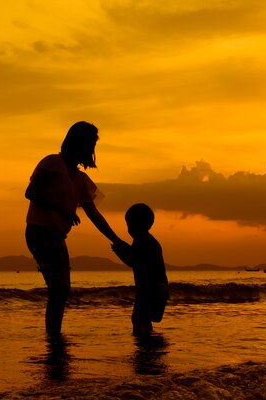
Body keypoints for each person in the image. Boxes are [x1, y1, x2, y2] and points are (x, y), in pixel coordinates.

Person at [25, 121, 126, 337]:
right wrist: (64, 209)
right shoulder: (52, 162)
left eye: (92, 145)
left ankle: (54, 338)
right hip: (39, 232)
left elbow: (94, 215)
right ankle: (53, 338)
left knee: (62, 291)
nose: (90, 149)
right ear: (75, 143)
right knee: (59, 289)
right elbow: (32, 192)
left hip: (57, 236)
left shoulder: (81, 179)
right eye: (87, 144)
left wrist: (116, 239)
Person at [112, 203, 169, 336]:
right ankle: (148, 341)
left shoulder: (141, 240)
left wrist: (119, 253)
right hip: (160, 288)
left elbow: (132, 262)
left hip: (149, 289)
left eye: (128, 224)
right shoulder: (149, 240)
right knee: (144, 318)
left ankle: (144, 342)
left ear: (133, 225)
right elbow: (134, 254)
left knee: (139, 318)